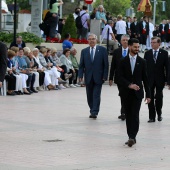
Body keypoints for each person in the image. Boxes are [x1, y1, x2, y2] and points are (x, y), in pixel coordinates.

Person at [118, 38, 151, 147]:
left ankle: (132, 136)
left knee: (135, 114)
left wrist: (148, 95)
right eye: (135, 47)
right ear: (130, 46)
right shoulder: (122, 61)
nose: (137, 49)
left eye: (138, 47)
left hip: (138, 94)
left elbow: (145, 79)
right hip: (126, 93)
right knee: (128, 114)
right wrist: (129, 85)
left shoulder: (142, 62)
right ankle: (130, 135)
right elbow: (119, 77)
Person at [79, 33, 109, 119]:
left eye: (93, 39)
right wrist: (80, 75)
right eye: (90, 39)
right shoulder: (84, 51)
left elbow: (105, 64)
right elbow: (81, 65)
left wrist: (105, 75)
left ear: (96, 40)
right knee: (89, 95)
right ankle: (92, 108)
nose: (91, 40)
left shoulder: (102, 50)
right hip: (88, 77)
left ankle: (94, 112)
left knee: (96, 95)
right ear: (88, 41)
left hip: (98, 77)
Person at [144, 37, 169, 123]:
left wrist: (168, 80)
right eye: (151, 42)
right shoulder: (147, 53)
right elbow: (144, 68)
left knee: (158, 98)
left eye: (154, 42)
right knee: (149, 97)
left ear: (159, 44)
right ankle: (151, 117)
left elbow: (168, 68)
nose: (152, 44)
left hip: (160, 79)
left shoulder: (164, 53)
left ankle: (159, 114)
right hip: (149, 80)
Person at [109, 34, 130, 121]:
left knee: (128, 95)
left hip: (129, 78)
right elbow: (113, 65)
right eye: (123, 40)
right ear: (121, 41)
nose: (125, 42)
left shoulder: (132, 50)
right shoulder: (117, 51)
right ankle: (124, 112)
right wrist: (110, 78)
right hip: (119, 78)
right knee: (122, 94)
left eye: (126, 40)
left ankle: (125, 112)